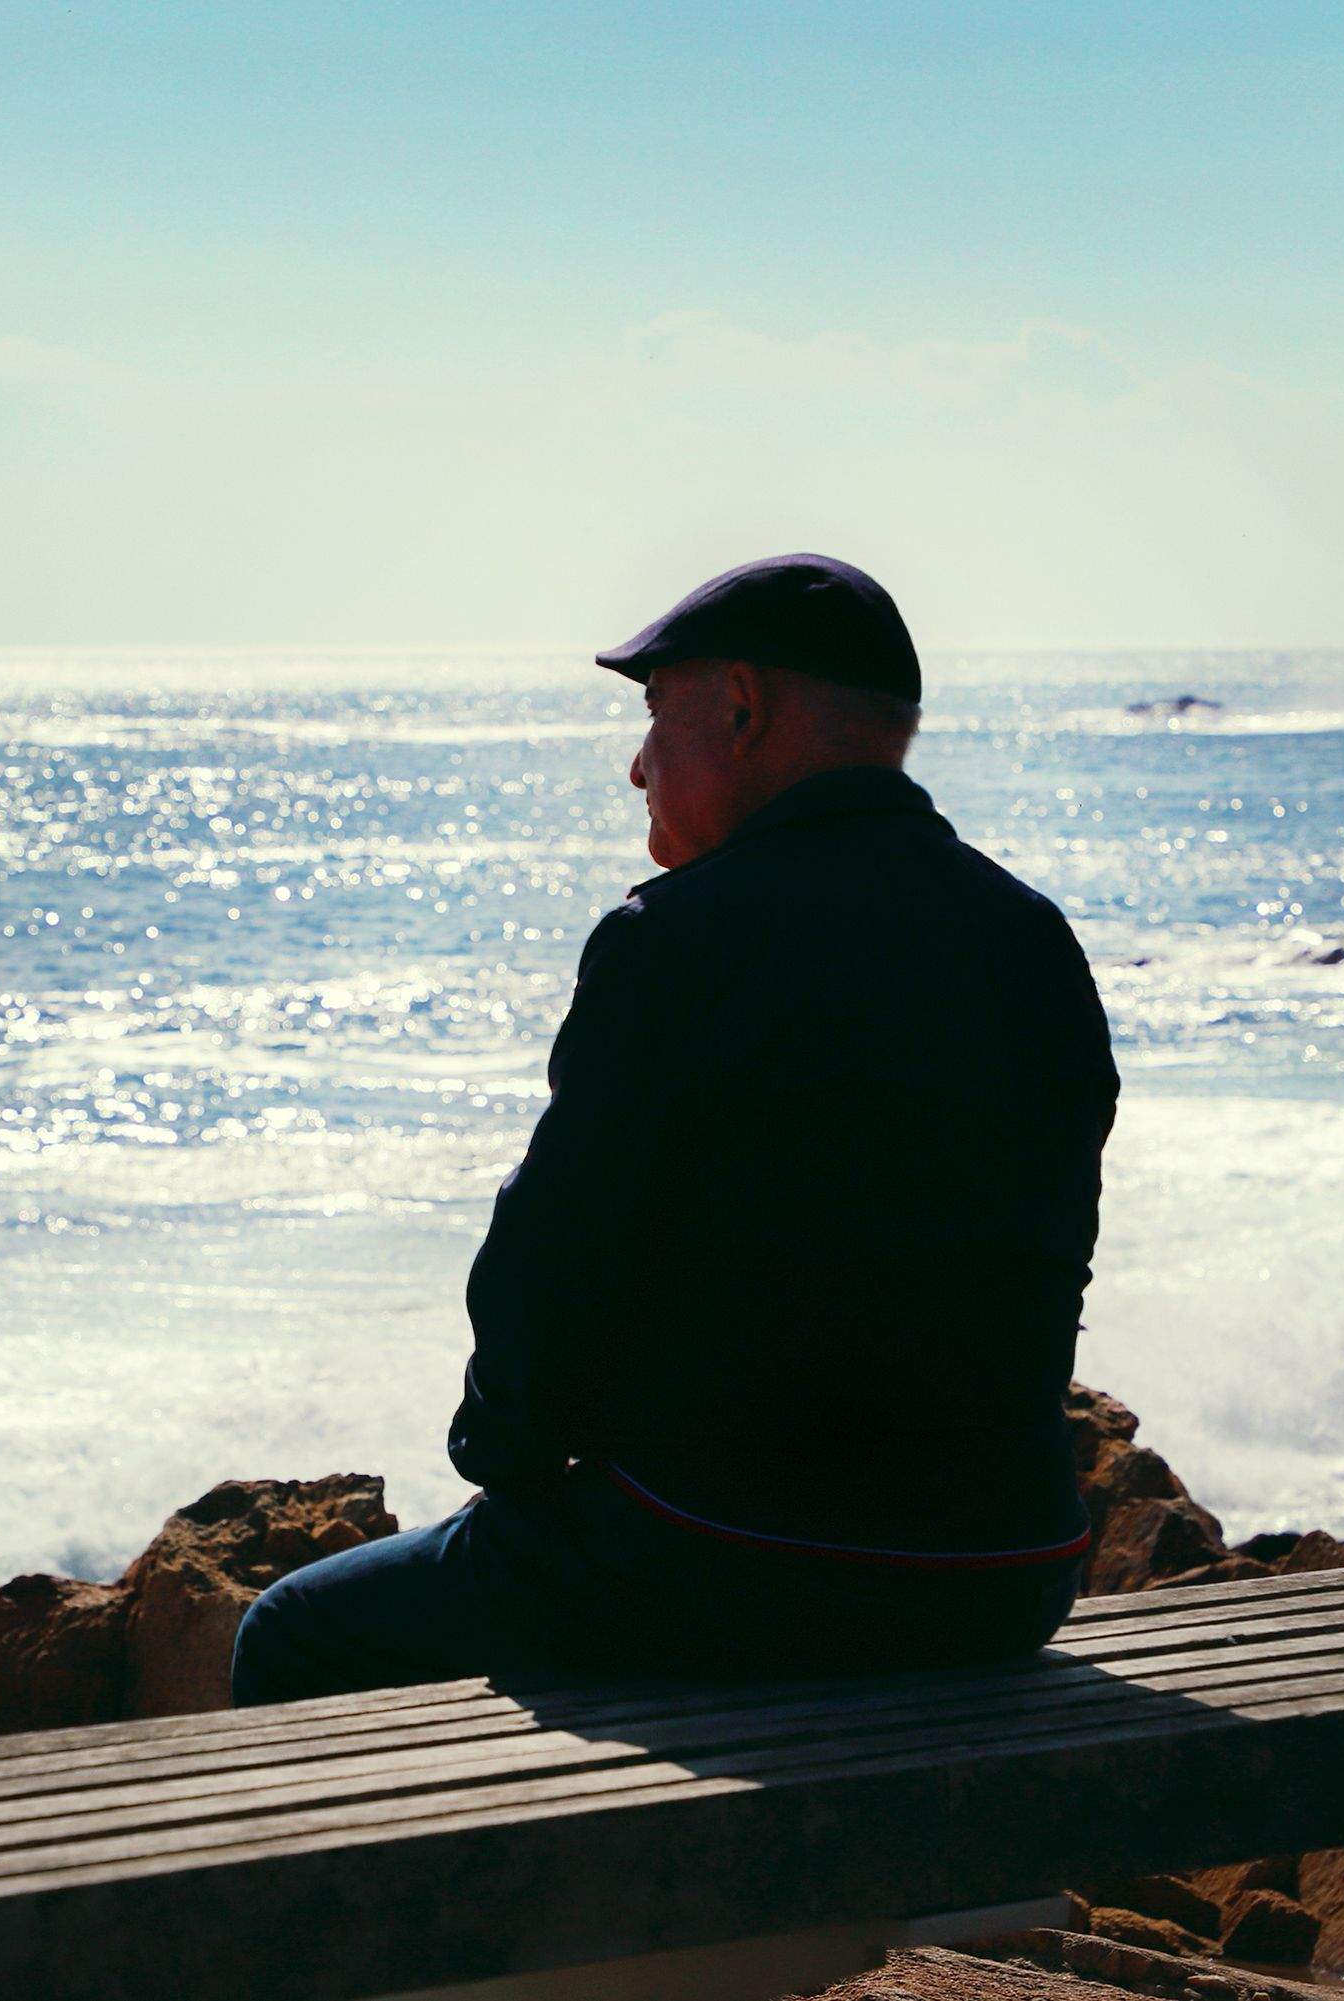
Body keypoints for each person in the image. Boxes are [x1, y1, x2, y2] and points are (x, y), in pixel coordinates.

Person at [230, 553, 1121, 1707]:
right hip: (1007, 1573)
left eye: (658, 714)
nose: (638, 763)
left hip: (720, 1563)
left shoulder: (675, 941)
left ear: (743, 708)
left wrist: (506, 1466)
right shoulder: (1033, 938)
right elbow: (1049, 1258)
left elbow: (552, 1267)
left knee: (292, 1630)